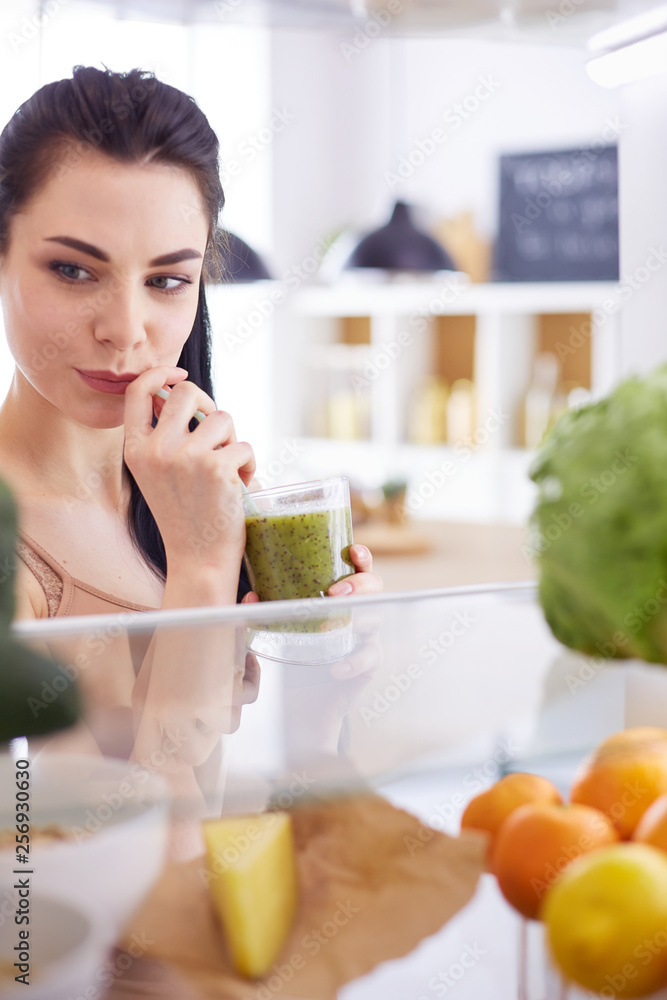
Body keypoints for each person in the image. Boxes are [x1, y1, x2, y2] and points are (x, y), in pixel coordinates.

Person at [0, 66, 381, 840]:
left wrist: (321, 697)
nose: (126, 329)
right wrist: (203, 571)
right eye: (73, 269)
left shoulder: (195, 492)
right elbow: (122, 893)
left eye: (168, 280)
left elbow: (264, 821)